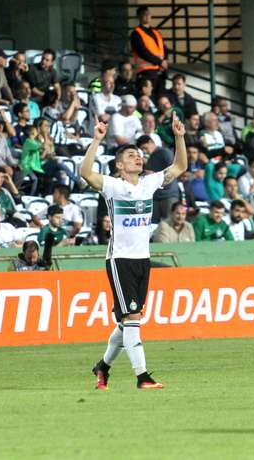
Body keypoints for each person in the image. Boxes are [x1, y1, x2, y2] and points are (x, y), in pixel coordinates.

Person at [81, 110, 186, 391]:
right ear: (119, 165)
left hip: (142, 259)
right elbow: (85, 173)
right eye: (131, 156)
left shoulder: (149, 183)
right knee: (132, 319)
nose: (138, 157)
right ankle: (142, 376)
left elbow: (179, 167)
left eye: (139, 155)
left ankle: (102, 367)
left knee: (129, 321)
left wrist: (179, 137)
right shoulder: (113, 186)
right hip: (120, 260)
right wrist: (96, 140)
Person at [130, 6, 169, 97]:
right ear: (139, 17)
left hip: (160, 71)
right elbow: (142, 51)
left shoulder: (156, 32)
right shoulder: (136, 33)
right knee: (147, 97)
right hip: (146, 72)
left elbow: (164, 48)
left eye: (148, 14)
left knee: (161, 97)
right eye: (144, 14)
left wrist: (165, 59)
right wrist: (160, 62)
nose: (147, 16)